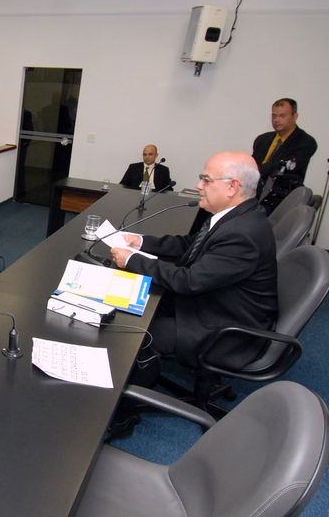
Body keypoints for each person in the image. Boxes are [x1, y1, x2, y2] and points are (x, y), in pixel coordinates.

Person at [111, 151, 277, 383]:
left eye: (206, 180)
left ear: (232, 187)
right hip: (216, 302)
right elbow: (191, 244)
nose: (199, 186)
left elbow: (187, 282)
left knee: (133, 332)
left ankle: (129, 399)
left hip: (226, 329)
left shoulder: (241, 234)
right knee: (131, 300)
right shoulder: (236, 215)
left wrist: (132, 260)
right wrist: (141, 242)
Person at [252, 98, 317, 213]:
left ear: (294, 116)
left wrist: (253, 170)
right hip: (253, 196)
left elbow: (277, 166)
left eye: (283, 115)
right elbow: (251, 164)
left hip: (279, 201)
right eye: (274, 116)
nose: (277, 120)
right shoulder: (262, 139)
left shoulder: (306, 142)